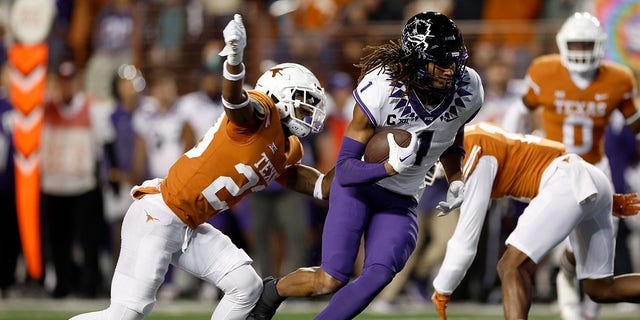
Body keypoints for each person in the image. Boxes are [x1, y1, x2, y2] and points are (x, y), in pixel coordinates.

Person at [69, 14, 332, 320]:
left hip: (189, 225)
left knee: (246, 285)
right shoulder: (260, 114)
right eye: (302, 101)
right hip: (159, 214)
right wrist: (234, 60)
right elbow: (234, 101)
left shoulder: (284, 148)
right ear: (277, 95)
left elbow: (322, 187)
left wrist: (367, 160)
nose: (308, 111)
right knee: (125, 314)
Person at [248, 11, 483, 320]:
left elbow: (452, 138)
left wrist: (456, 178)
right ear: (415, 59)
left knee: (380, 274)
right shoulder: (382, 86)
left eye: (454, 61)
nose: (450, 71)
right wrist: (387, 168)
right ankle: (272, 291)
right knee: (331, 278)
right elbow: (344, 169)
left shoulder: (469, 89)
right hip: (359, 187)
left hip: (402, 198)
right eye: (440, 62)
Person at [430, 122, 640, 320]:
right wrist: (602, 197)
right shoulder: (477, 134)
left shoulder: (473, 151)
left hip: (567, 181)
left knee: (511, 266)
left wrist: (443, 286)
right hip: (587, 177)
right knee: (602, 289)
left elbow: (466, 237)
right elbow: (533, 161)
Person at [518, 12, 640, 320]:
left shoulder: (618, 78)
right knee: (558, 238)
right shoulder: (544, 71)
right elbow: (524, 109)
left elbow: (635, 123)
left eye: (588, 45)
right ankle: (568, 283)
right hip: (557, 168)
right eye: (577, 44)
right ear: (563, 44)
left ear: (598, 46)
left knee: (603, 243)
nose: (582, 52)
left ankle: (586, 305)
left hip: (598, 168)